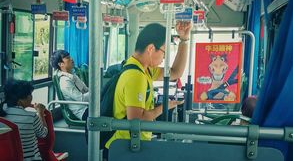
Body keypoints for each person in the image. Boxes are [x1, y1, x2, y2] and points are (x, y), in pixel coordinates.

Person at [105, 21, 192, 152]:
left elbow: (175, 72)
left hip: (131, 143)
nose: (164, 58)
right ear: (151, 49)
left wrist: (184, 40)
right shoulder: (136, 76)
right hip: (125, 147)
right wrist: (165, 107)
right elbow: (136, 120)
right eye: (164, 52)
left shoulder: (143, 69)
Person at [0, 79, 48, 161]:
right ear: (21, 100)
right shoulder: (31, 117)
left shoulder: (2, 113)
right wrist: (40, 113)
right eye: (30, 95)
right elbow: (43, 134)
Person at [50, 50, 89, 120]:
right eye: (68, 58)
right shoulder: (65, 81)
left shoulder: (73, 76)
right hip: (83, 111)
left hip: (89, 106)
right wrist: (96, 93)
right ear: (61, 64)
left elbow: (85, 90)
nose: (71, 59)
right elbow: (82, 99)